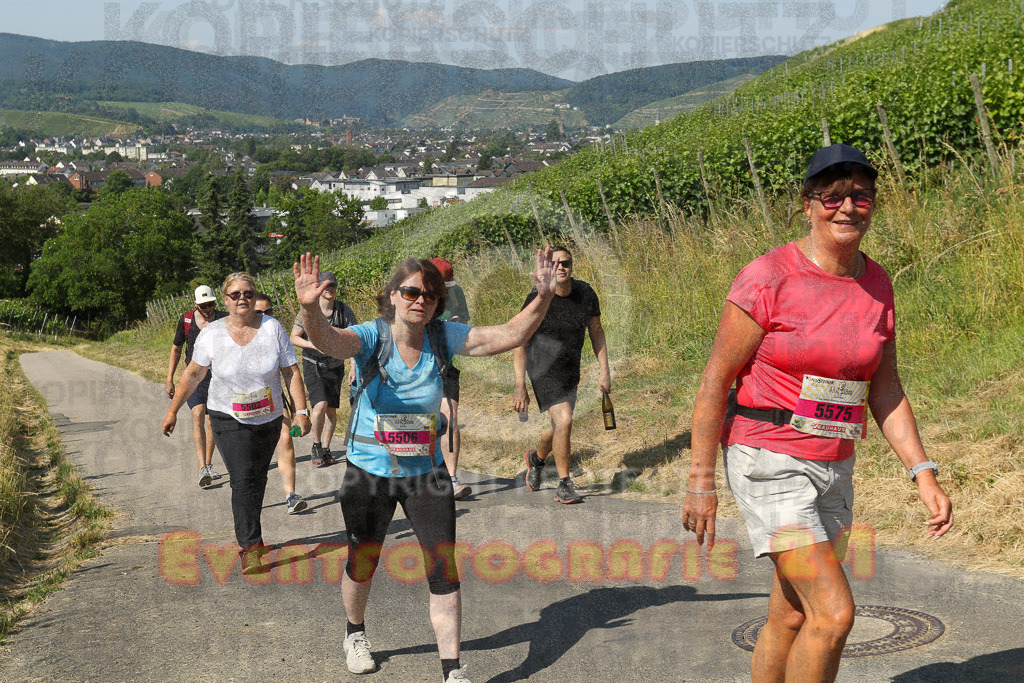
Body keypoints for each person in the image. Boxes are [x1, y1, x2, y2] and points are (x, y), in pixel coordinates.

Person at [682, 143, 953, 682]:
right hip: (769, 460)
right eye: (832, 196)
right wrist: (700, 480)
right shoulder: (766, 277)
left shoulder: (877, 284)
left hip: (834, 466)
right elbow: (715, 381)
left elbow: (886, 388)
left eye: (861, 196)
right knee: (833, 615)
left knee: (790, 615)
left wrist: (923, 472)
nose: (847, 207)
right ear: (807, 204)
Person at [292, 249, 558, 683]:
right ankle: (355, 632)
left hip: (426, 473)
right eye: (412, 292)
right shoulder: (372, 336)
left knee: (443, 567)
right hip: (369, 472)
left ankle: (452, 670)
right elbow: (331, 343)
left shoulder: (442, 336)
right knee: (364, 559)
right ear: (393, 296)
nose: (422, 300)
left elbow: (507, 335)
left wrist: (543, 297)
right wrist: (308, 308)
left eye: (431, 295)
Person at [162, 273, 311, 574]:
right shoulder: (212, 334)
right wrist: (173, 409)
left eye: (248, 293)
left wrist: (302, 411)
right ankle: (251, 547)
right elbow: (192, 374)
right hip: (226, 416)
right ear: (225, 300)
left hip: (268, 418)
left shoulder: (273, 328)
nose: (242, 298)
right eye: (235, 294)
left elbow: (291, 372)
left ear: (255, 297)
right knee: (242, 478)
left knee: (257, 479)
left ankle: (250, 531)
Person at [513, 246, 611, 504]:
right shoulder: (537, 297)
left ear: (572, 265)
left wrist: (604, 371)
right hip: (542, 368)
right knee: (565, 420)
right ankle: (564, 484)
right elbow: (520, 343)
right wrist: (519, 385)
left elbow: (597, 332)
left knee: (559, 426)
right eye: (555, 263)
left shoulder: (586, 294)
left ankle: (537, 459)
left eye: (565, 262)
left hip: (570, 369)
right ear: (547, 266)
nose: (561, 267)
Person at [290, 271, 357, 467]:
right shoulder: (308, 311)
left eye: (332, 286)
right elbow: (294, 337)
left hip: (335, 366)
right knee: (319, 406)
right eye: (325, 286)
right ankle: (316, 445)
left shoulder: (344, 311)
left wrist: (354, 367)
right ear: (318, 289)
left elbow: (353, 340)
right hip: (313, 365)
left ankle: (326, 450)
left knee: (331, 411)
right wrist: (314, 346)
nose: (329, 290)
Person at [166, 284, 228, 488]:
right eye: (203, 306)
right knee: (197, 413)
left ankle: (208, 464)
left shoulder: (223, 319)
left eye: (210, 304)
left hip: (217, 378)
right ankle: (202, 467)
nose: (207, 308)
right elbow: (176, 349)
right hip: (193, 378)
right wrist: (170, 379)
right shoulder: (186, 320)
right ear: (195, 305)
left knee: (211, 421)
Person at [254, 292, 306, 514]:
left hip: (273, 399)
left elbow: (290, 371)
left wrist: (300, 409)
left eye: (269, 311)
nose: (265, 316)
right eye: (259, 312)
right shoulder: (236, 334)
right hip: (243, 406)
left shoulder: (277, 332)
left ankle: (291, 495)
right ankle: (250, 496)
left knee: (285, 439)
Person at [430, 257, 472, 500]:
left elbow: (465, 323)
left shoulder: (457, 292)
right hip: (417, 370)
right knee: (423, 426)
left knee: (451, 420)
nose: (446, 291)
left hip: (446, 366)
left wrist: (457, 325)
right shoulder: (416, 296)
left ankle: (452, 478)